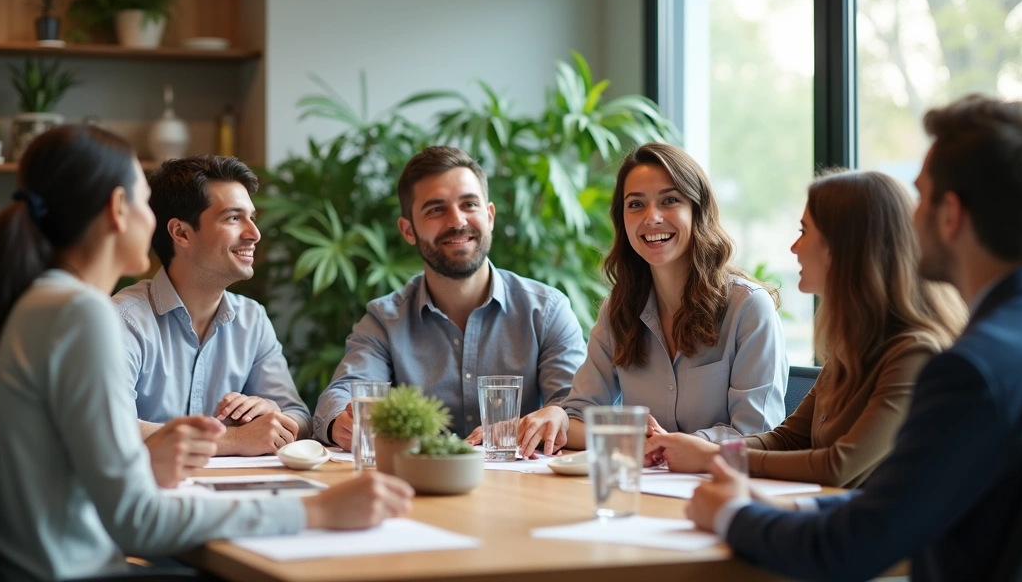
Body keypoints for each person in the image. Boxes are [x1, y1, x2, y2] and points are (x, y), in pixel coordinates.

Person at [0, 126, 413, 582]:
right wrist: (316, 509)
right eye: (143, 203)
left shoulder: (43, 301)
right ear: (117, 210)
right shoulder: (82, 313)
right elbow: (137, 519)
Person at [687, 95, 1022, 582]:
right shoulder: (1018, 344)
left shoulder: (970, 369)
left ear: (951, 214)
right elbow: (893, 509)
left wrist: (730, 514)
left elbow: (855, 544)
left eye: (921, 197)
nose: (908, 221)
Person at [646, 170, 965, 487]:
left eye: (804, 231)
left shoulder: (915, 352)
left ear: (843, 247)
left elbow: (838, 466)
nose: (794, 247)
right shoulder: (852, 346)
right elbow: (788, 439)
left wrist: (715, 457)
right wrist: (708, 449)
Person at [522, 143, 788, 459]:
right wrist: (560, 416)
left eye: (670, 200)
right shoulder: (618, 311)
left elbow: (757, 434)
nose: (652, 217)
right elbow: (579, 418)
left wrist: (669, 444)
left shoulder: (748, 309)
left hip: (723, 493)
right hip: (643, 491)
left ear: (697, 210)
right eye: (636, 204)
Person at [312, 146, 585, 449]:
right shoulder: (385, 320)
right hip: (415, 489)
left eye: (469, 204)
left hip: (525, 488)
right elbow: (343, 394)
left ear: (490, 216)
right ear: (408, 230)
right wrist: (343, 421)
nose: (457, 221)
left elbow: (575, 407)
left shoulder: (547, 310)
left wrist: (552, 417)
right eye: (436, 209)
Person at [114, 155, 309, 456]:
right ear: (181, 233)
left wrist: (272, 413)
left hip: (234, 495)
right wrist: (232, 440)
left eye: (251, 218)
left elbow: (299, 416)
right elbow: (111, 427)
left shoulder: (252, 320)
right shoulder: (122, 320)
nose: (254, 234)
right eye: (233, 218)